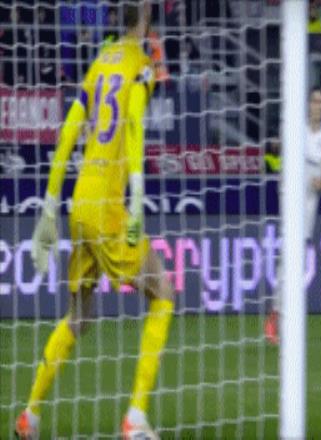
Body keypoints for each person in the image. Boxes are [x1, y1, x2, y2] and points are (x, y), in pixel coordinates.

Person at [15, 2, 172, 438]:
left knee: (79, 318)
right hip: (109, 206)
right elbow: (135, 124)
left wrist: (49, 207)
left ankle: (30, 415)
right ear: (146, 17)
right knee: (163, 292)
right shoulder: (141, 63)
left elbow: (68, 132)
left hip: (80, 201)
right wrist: (137, 197)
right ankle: (135, 418)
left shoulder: (100, 62)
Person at [265, 87, 321, 345]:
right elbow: (276, 156)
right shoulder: (295, 129)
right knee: (289, 256)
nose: (319, 106)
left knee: (295, 262)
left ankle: (279, 314)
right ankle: (276, 317)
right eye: (315, 101)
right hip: (289, 199)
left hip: (309, 206)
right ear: (308, 105)